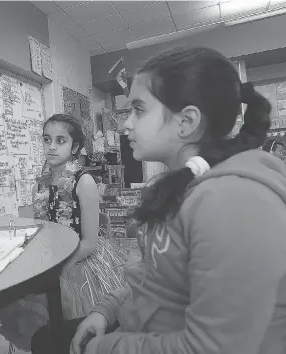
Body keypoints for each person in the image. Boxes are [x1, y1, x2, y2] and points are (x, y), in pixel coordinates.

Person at [31, 46, 286, 354]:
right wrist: (106, 310)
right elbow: (155, 276)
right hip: (135, 326)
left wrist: (106, 347)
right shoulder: (179, 184)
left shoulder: (231, 202)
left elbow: (215, 346)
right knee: (43, 340)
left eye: (138, 110)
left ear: (186, 122)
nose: (125, 124)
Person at [0, 114, 126, 352]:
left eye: (60, 140)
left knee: (77, 339)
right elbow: (41, 229)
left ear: (74, 147)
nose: (51, 147)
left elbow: (90, 242)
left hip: (79, 264)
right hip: (48, 261)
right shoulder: (40, 185)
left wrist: (61, 268)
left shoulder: (83, 183)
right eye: (46, 139)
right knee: (45, 336)